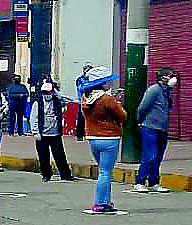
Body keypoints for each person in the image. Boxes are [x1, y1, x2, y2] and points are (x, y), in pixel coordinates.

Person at [79, 67, 126, 214]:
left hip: (93, 138)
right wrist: (118, 103)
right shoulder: (107, 99)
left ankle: (106, 202)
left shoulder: (85, 98)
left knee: (103, 171)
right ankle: (100, 202)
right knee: (105, 172)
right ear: (103, 82)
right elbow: (122, 116)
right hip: (110, 138)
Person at [134, 68, 175, 193]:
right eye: (170, 75)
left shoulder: (167, 91)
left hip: (162, 129)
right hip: (150, 128)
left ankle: (154, 182)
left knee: (158, 157)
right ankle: (140, 181)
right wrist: (140, 121)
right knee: (149, 155)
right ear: (163, 77)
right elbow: (143, 107)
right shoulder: (154, 90)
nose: (173, 78)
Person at [29, 79, 74, 182]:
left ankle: (65, 175)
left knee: (60, 156)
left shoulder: (57, 101)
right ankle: (46, 175)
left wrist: (58, 94)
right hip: (42, 135)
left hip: (55, 134)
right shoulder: (38, 103)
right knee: (43, 157)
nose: (47, 94)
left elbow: (70, 101)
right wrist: (35, 132)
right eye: (45, 92)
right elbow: (33, 118)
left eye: (49, 92)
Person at [73, 64, 93, 140]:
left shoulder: (93, 79)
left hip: (92, 101)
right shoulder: (80, 79)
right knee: (81, 118)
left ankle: (89, 134)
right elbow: (81, 89)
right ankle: (80, 135)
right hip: (82, 101)